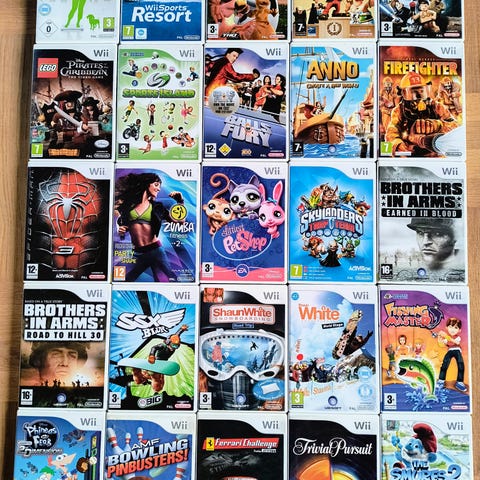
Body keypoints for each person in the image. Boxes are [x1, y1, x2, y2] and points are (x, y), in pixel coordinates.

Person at [115, 172, 184, 282]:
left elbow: (180, 222)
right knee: (125, 280)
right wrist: (120, 229)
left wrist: (180, 202)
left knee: (171, 280)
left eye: (159, 186)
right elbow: (120, 221)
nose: (158, 189)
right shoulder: (128, 205)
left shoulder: (157, 207)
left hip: (155, 251)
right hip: (137, 253)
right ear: (147, 184)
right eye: (156, 185)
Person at [385, 71, 459, 157]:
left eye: (421, 91)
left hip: (435, 153)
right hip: (411, 154)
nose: (419, 97)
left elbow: (455, 126)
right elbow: (390, 133)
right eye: (413, 92)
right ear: (404, 93)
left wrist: (438, 125)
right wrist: (398, 145)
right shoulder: (399, 111)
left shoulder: (436, 106)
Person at [437, 317, 467, 392]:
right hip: (450, 351)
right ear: (447, 328)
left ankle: (460, 382)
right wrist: (439, 338)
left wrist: (446, 337)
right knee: (444, 365)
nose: (452, 329)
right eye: (450, 327)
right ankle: (441, 381)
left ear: (459, 330)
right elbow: (442, 345)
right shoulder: (447, 338)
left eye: (455, 327)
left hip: (457, 351)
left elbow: (456, 342)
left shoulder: (458, 337)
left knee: (460, 365)